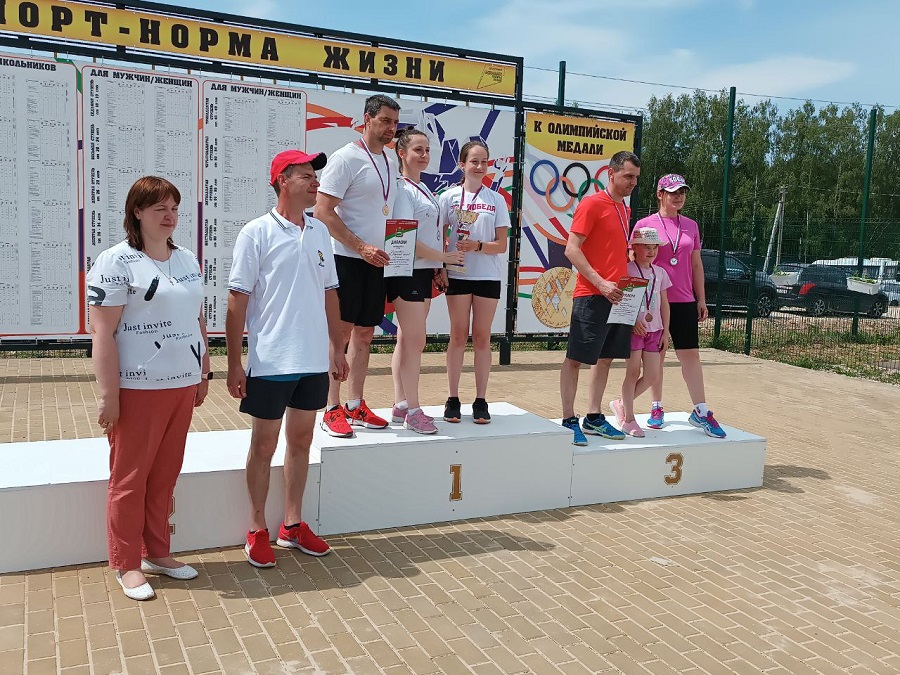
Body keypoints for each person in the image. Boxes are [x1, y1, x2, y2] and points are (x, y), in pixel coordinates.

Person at [87, 176, 209, 601]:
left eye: (174, 208)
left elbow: (196, 318)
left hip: (182, 385)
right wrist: (109, 397)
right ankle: (127, 563)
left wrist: (204, 370)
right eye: (160, 208)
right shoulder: (116, 262)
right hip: (137, 389)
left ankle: (158, 551)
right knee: (130, 478)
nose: (169, 216)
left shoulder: (187, 258)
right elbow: (102, 333)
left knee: (164, 475)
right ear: (137, 212)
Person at [226, 150, 349, 568]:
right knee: (263, 445)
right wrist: (235, 362)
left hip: (313, 362)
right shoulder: (256, 233)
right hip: (271, 361)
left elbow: (330, 293)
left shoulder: (320, 232)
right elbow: (237, 300)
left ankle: (292, 525)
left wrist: (337, 348)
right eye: (306, 176)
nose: (316, 183)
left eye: (316, 176)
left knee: (301, 441)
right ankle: (256, 527)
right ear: (282, 180)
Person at [314, 94, 400, 437]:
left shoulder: (391, 160)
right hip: (347, 260)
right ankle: (331, 407)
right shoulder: (346, 158)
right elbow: (322, 211)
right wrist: (361, 246)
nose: (391, 128)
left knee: (365, 333)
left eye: (395, 122)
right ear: (367, 119)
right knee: (341, 334)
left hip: (377, 262)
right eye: (385, 121)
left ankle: (355, 404)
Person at [632, 174, 726, 438]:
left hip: (684, 300)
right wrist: (635, 303)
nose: (678, 196)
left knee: (691, 355)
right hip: (654, 301)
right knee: (657, 357)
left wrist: (701, 298)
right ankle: (656, 406)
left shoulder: (691, 226)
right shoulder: (645, 224)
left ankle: (701, 410)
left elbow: (696, 264)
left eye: (682, 192)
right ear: (659, 194)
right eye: (672, 192)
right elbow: (634, 262)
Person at [559, 151, 641, 446]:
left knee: (605, 358)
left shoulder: (624, 209)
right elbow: (571, 249)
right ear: (611, 173)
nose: (633, 182)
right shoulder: (592, 204)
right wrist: (600, 282)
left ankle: (593, 417)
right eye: (628, 176)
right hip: (592, 294)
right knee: (575, 359)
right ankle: (568, 419)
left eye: (636, 178)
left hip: (619, 296)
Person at [388, 127, 464, 434]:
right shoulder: (401, 189)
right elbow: (404, 237)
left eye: (427, 150)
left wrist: (438, 265)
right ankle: (413, 410)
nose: (424, 155)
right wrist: (443, 257)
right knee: (415, 340)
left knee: (407, 339)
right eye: (417, 150)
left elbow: (431, 233)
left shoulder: (424, 189)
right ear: (401, 153)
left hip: (423, 272)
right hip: (406, 271)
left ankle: (401, 404)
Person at [439, 140, 510, 424]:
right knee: (457, 336)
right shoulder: (448, 197)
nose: (480, 167)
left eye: (484, 162)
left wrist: (477, 246)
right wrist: (442, 265)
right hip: (458, 274)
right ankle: (452, 398)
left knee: (482, 337)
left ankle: (481, 400)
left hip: (487, 276)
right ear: (462, 164)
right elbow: (439, 236)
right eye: (474, 161)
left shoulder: (496, 200)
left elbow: (501, 245)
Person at [609, 227, 671, 437]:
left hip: (655, 330)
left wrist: (665, 331)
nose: (651, 252)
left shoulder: (660, 273)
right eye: (646, 247)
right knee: (633, 372)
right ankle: (629, 419)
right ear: (634, 247)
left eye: (655, 247)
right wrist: (634, 321)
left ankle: (620, 404)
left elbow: (664, 304)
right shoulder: (627, 270)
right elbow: (622, 301)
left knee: (653, 375)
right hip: (633, 330)